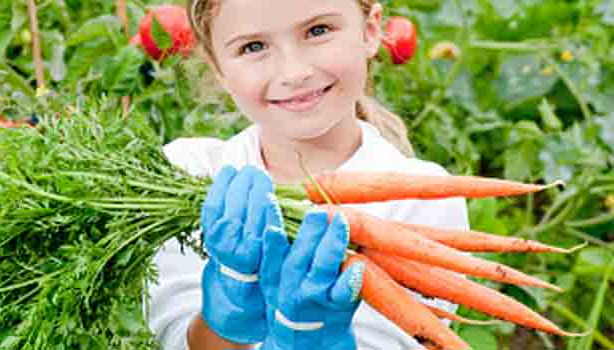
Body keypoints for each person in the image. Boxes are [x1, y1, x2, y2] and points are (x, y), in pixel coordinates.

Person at [146, 0, 470, 349]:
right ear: (218, 68)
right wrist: (225, 321)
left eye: (318, 31)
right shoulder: (186, 174)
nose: (294, 71)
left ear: (371, 30)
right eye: (253, 47)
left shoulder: (424, 200)